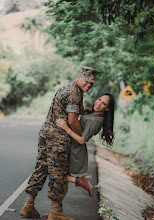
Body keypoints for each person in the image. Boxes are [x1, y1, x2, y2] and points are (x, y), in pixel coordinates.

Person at [20, 66, 100, 220]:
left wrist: (90, 111)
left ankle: (28, 206)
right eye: (87, 81)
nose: (89, 85)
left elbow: (79, 110)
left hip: (45, 133)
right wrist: (81, 136)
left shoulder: (69, 88)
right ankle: (56, 212)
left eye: (92, 83)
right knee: (58, 173)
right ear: (79, 76)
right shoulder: (74, 94)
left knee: (41, 168)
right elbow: (72, 120)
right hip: (58, 139)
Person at [42, 92, 115, 219]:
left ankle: (79, 181)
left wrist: (66, 128)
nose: (99, 103)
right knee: (62, 179)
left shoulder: (97, 120)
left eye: (104, 103)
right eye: (99, 99)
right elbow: (80, 112)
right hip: (70, 146)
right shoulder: (92, 112)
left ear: (107, 108)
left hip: (76, 149)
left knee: (57, 174)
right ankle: (55, 211)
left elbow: (82, 140)